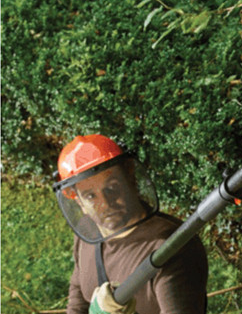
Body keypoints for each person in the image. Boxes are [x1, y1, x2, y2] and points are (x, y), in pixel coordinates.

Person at [54, 134, 208, 314]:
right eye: (91, 196)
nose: (106, 203)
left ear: (130, 179)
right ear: (79, 202)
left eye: (112, 187)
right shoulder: (88, 232)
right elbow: (78, 298)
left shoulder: (171, 248)